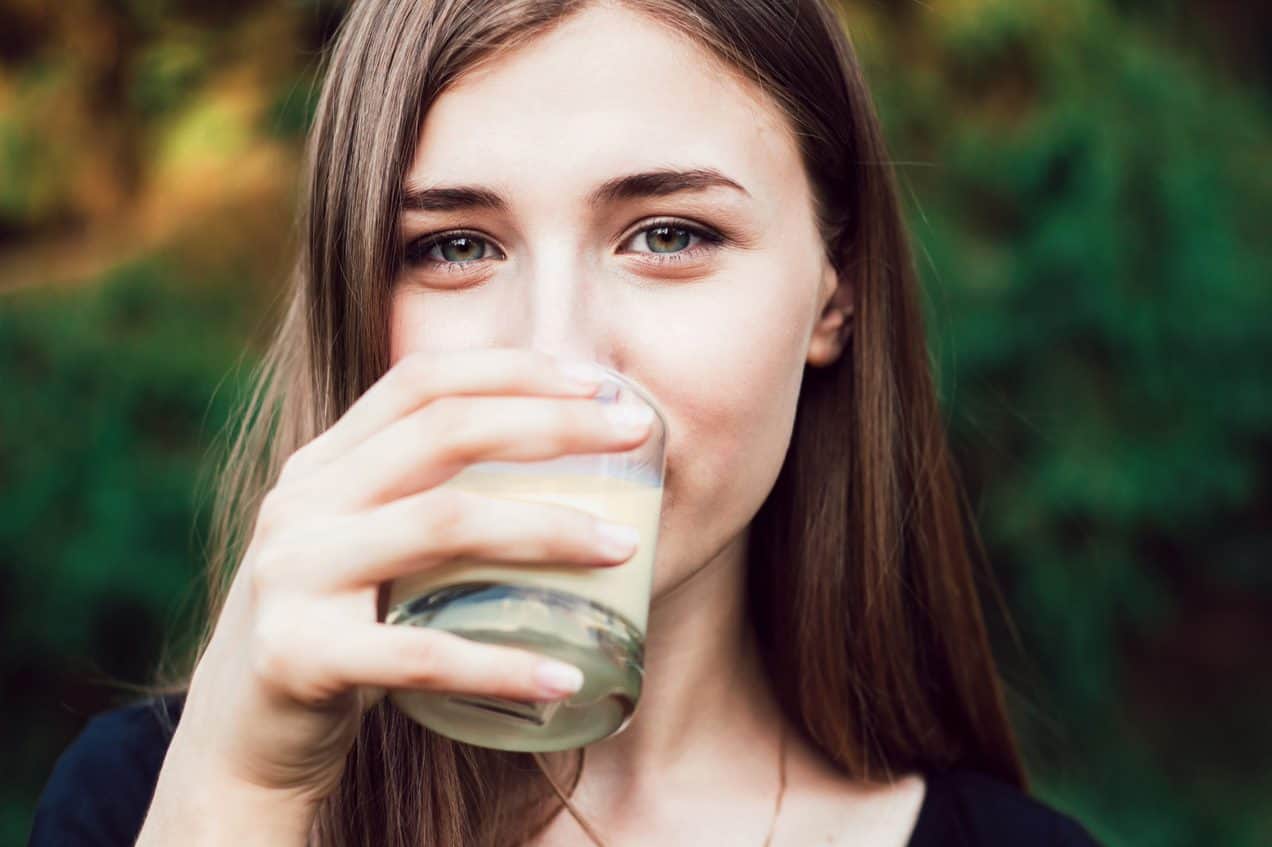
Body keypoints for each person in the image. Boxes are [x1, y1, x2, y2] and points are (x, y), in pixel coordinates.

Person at [30, 1, 1103, 845]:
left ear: (837, 289)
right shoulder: (152, 803)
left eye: (671, 233)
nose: (558, 356)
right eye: (452, 246)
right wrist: (241, 802)